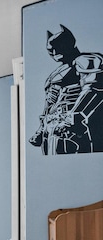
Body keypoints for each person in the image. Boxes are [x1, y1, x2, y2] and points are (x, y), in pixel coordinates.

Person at [29, 25, 81, 155]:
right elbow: (49, 101)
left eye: (56, 49)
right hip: (52, 123)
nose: (53, 54)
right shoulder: (56, 73)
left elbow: (91, 89)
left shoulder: (83, 61)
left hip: (73, 121)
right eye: (51, 50)